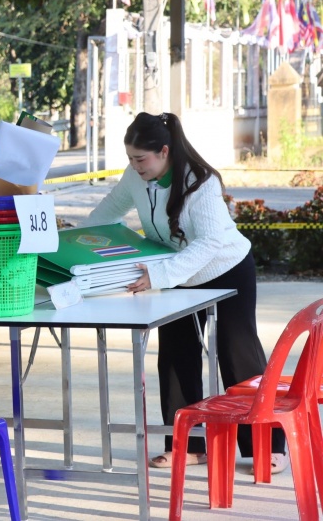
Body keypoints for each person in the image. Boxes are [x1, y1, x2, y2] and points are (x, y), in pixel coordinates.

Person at [82, 112, 287, 473]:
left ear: (164, 151)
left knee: (237, 355)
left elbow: (210, 243)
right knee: (176, 357)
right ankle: (188, 446)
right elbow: (105, 215)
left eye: (140, 159)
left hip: (225, 268)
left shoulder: (200, 182)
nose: (135, 166)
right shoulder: (135, 177)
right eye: (130, 158)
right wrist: (78, 246)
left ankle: (266, 445)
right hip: (175, 273)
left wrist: (159, 274)